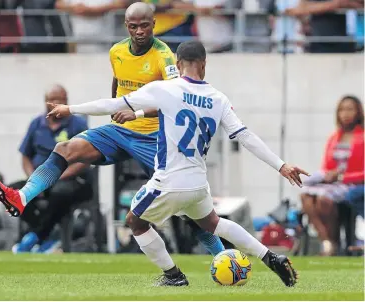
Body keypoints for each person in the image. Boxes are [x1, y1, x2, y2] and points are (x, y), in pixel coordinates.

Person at [45, 40, 306, 287]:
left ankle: (173, 275)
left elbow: (111, 104)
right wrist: (281, 165)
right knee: (213, 223)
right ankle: (271, 257)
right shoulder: (219, 99)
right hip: (198, 183)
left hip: (168, 180)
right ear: (204, 64)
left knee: (135, 222)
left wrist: (71, 109)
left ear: (178, 64)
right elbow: (245, 136)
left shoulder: (165, 88)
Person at [0, 2, 225, 257]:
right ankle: (21, 198)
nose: (139, 31)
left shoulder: (164, 57)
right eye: (133, 26)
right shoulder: (117, 51)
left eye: (145, 25)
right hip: (120, 131)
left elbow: (177, 101)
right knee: (65, 148)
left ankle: (223, 255)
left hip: (154, 137)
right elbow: (118, 80)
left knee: (184, 201)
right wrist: (115, 107)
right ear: (126, 26)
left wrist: (134, 112)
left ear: (154, 25)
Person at [10, 85, 92, 253]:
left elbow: (85, 159)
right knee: (14, 191)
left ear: (67, 101)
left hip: (70, 179)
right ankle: (49, 236)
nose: (57, 103)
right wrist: (35, 179)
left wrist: (54, 178)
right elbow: (25, 156)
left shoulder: (78, 124)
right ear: (46, 102)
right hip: (41, 178)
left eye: (61, 99)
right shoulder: (36, 124)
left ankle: (35, 237)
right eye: (53, 99)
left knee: (59, 193)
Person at [300, 96, 364, 255]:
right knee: (305, 196)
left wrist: (342, 177)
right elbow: (326, 166)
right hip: (332, 182)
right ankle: (327, 241)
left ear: (358, 112)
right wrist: (328, 175)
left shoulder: (362, 137)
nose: (345, 113)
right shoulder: (334, 137)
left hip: (352, 183)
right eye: (342, 109)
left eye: (350, 109)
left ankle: (333, 242)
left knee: (323, 200)